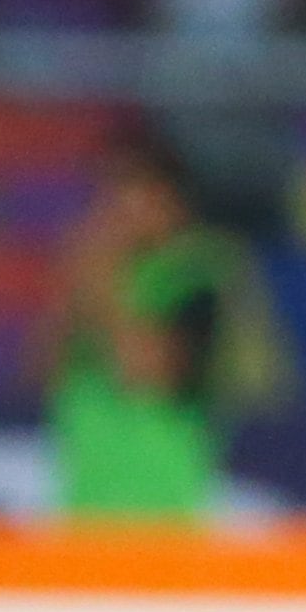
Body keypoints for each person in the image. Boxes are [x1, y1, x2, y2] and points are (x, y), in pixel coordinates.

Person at [45, 134, 267, 521]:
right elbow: (41, 373)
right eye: (111, 195)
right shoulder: (99, 275)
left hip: (159, 510)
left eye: (134, 193)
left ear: (172, 201)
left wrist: (102, 281)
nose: (117, 211)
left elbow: (149, 375)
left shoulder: (199, 272)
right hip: (86, 508)